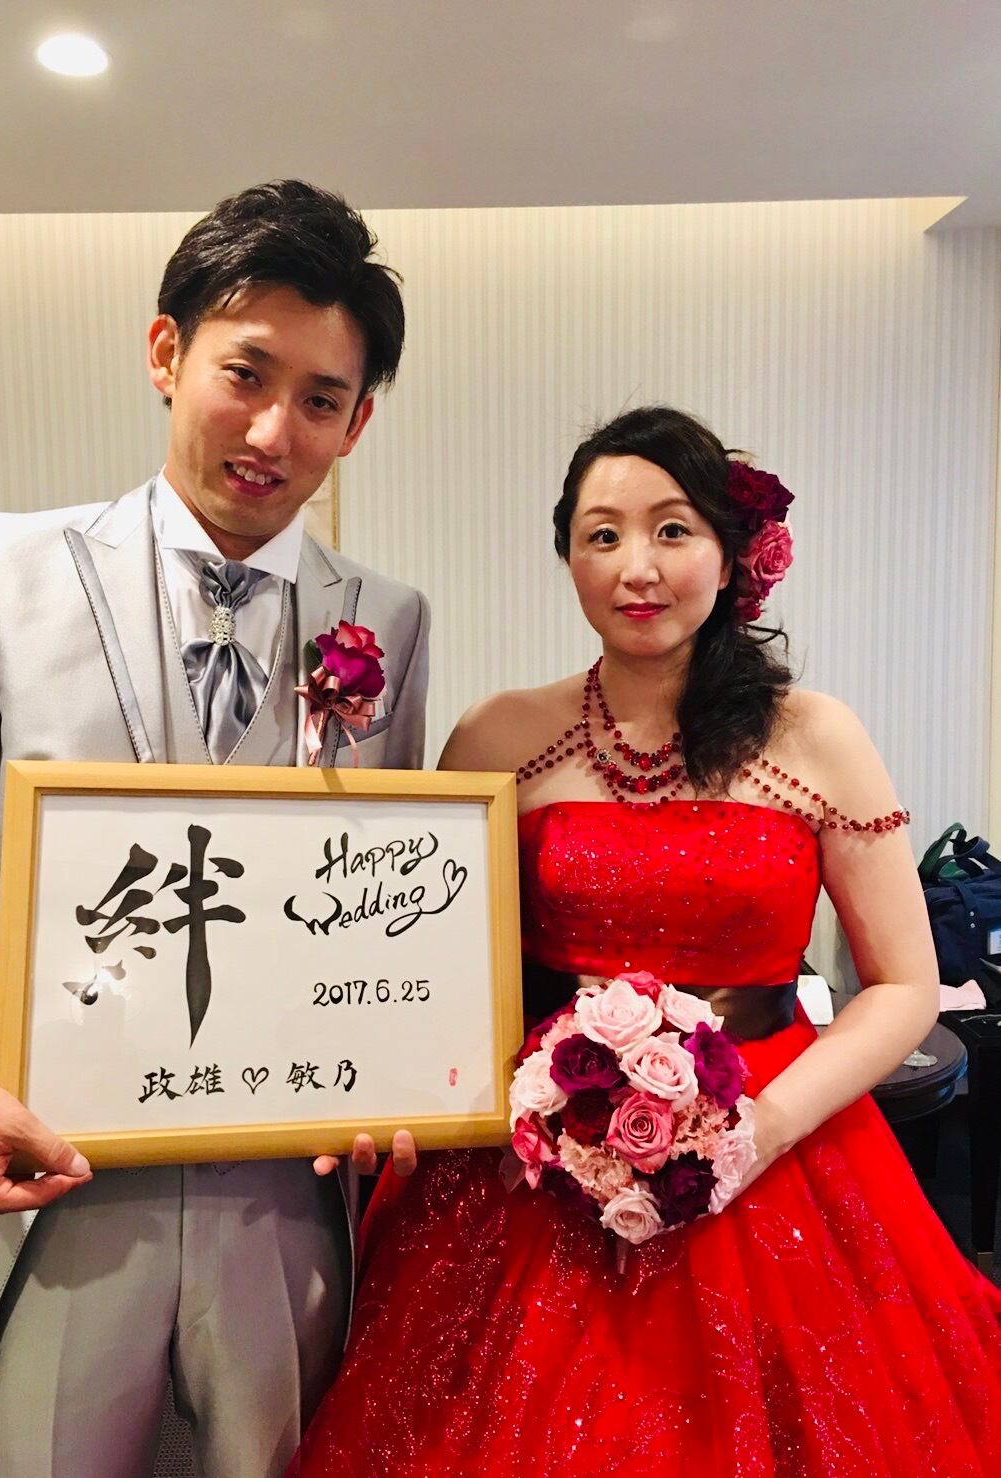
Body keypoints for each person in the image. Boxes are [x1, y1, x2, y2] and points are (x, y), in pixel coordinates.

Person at [294, 405, 1001, 1475]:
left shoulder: (817, 737)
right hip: (535, 1156)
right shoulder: (498, 735)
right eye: (602, 534)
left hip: (770, 1142)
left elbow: (903, 984)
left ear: (731, 552)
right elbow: (427, 961)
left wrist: (755, 1132)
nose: (637, 566)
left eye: (672, 529)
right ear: (568, 557)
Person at [0, 180, 428, 1477]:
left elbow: (383, 885)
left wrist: (397, 1066)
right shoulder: (3, 566)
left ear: (357, 421)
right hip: (51, 1182)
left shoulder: (390, 618)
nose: (272, 429)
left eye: (320, 398)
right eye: (245, 372)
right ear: (164, 352)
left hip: (282, 1199)